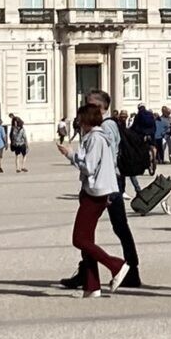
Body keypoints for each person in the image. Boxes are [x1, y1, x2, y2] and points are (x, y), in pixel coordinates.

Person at [62, 90, 141, 290]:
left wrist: (74, 157)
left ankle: (129, 270)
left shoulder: (106, 127)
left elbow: (103, 158)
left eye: (89, 104)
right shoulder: (98, 129)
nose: (86, 108)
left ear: (99, 106)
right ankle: (88, 276)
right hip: (101, 181)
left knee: (118, 228)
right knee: (89, 232)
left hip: (107, 183)